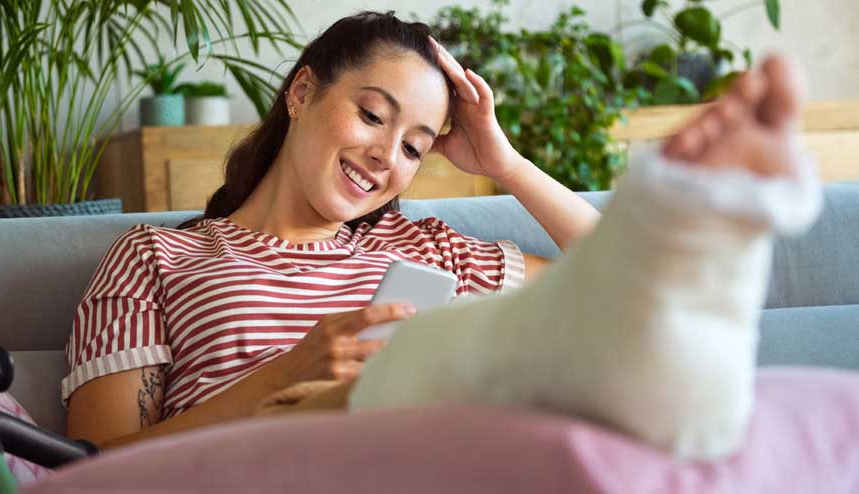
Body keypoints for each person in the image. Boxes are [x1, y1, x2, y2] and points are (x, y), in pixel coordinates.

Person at [65, 11, 819, 460]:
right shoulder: (158, 257)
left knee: (611, 336)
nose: (384, 157)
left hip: (434, 465)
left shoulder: (426, 250)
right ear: (301, 92)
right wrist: (280, 379)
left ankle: (689, 230)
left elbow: (622, 288)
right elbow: (88, 468)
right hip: (257, 469)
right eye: (371, 115)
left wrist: (506, 163)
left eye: (415, 146)